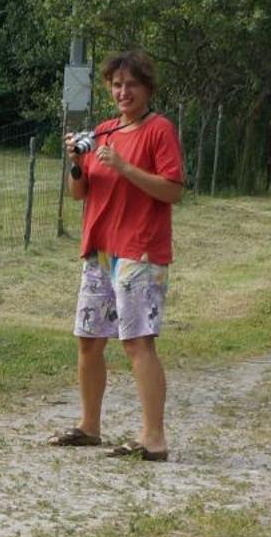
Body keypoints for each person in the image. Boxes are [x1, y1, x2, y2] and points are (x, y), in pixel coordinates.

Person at [49, 49, 185, 461]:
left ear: (146, 89)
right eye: (116, 84)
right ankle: (89, 426)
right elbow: (80, 192)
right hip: (101, 251)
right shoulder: (104, 132)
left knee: (137, 342)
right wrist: (75, 163)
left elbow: (173, 190)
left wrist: (126, 167)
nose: (123, 91)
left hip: (139, 251)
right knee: (89, 340)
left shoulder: (158, 130)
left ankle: (153, 438)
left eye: (131, 85)